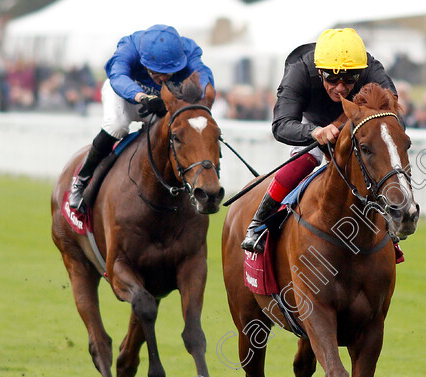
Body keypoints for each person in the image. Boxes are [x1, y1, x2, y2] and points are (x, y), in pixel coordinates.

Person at [241, 28, 397, 252]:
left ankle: (395, 218)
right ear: (319, 71)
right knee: (305, 161)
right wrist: (314, 133)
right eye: (332, 79)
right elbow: (281, 125)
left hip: (357, 125)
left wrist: (344, 127)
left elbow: (392, 109)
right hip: (311, 123)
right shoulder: (300, 70)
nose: (340, 88)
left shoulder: (370, 68)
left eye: (349, 79)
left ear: (360, 72)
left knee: (379, 161)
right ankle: (257, 223)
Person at [68, 24, 214, 211]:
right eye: (155, 73)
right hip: (125, 95)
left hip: (164, 101)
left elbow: (204, 79)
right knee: (117, 125)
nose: (162, 79)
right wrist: (142, 97)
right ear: (144, 62)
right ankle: (81, 180)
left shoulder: (189, 51)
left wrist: (188, 101)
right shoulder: (129, 47)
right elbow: (117, 75)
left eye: (168, 73)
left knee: (183, 132)